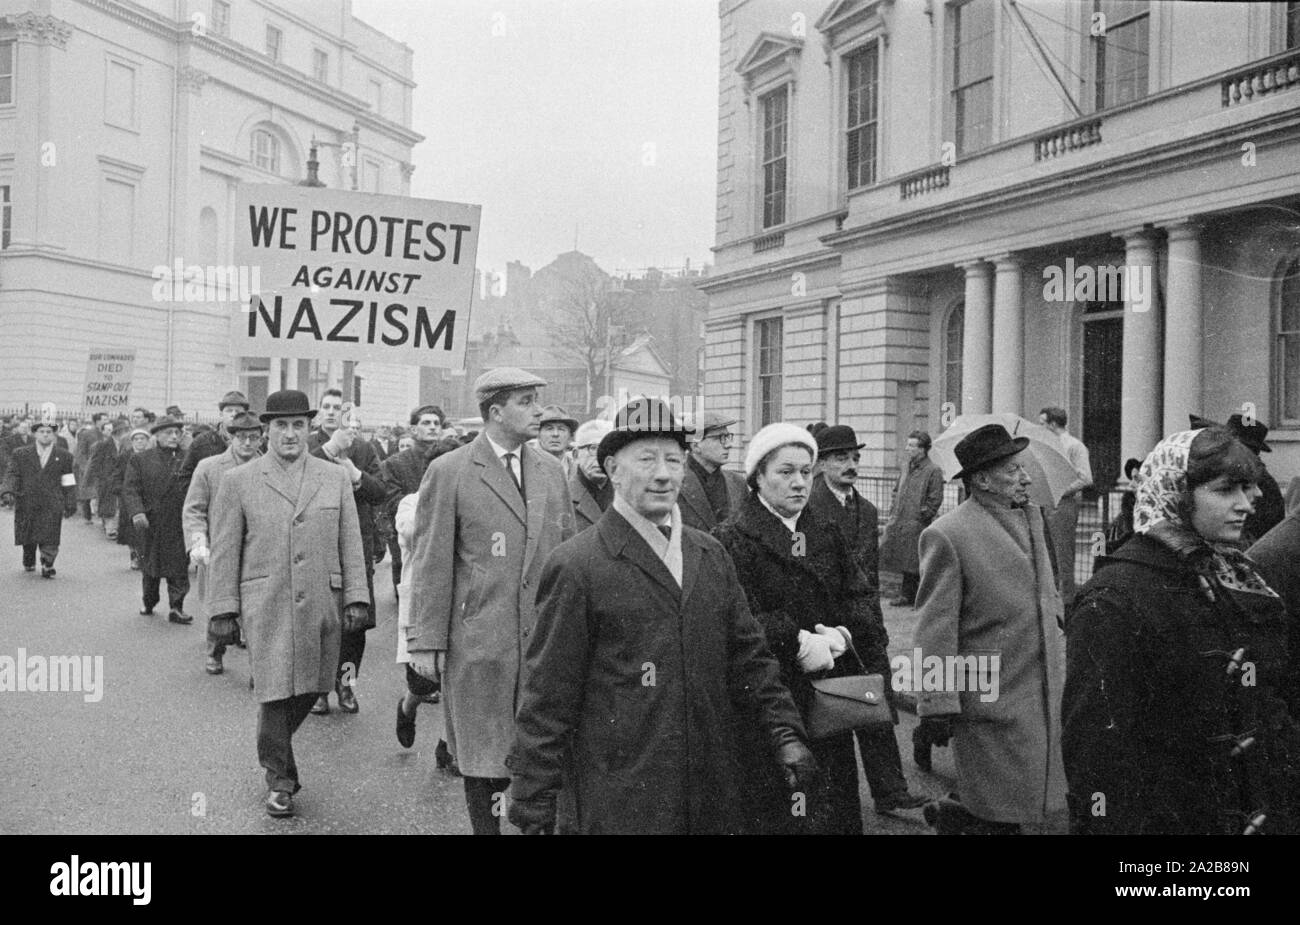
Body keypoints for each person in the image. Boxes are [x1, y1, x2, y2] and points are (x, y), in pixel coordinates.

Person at [506, 400, 815, 835]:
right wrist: (532, 793)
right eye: (647, 459)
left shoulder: (709, 554)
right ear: (612, 468)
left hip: (710, 789)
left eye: (674, 459)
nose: (664, 473)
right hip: (621, 794)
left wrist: (785, 733)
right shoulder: (577, 565)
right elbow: (549, 691)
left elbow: (750, 658)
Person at [1065, 427, 1299, 834]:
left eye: (1249, 491)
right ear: (1176, 493)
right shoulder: (1115, 597)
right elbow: (1097, 756)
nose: (1246, 505)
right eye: (1227, 491)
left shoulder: (1233, 574)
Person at [714, 423, 921, 833]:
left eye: (806, 472)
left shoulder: (823, 531)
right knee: (784, 806)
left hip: (829, 697)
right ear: (758, 477)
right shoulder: (732, 538)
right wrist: (797, 640)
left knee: (833, 805)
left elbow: (859, 595)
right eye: (785, 472)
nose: (798, 483)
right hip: (771, 701)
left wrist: (843, 633)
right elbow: (735, 618)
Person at [406, 367, 574, 835]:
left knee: (539, 750)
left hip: (542, 636)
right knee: (484, 755)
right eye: (525, 401)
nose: (537, 410)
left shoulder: (550, 470)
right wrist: (425, 640)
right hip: (480, 637)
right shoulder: (451, 471)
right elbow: (431, 559)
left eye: (536, 399)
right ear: (494, 411)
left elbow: (568, 553)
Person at [207, 390, 369, 818]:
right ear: (266, 430)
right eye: (281, 425)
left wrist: (356, 595)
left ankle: (276, 756)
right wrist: (222, 608)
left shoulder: (332, 476)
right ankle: (279, 777)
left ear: (310, 428)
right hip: (268, 599)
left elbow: (350, 540)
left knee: (316, 684)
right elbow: (225, 549)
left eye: (299, 425)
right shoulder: (239, 481)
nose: (291, 434)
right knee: (275, 688)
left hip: (321, 597)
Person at [913, 424, 1066, 834]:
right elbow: (933, 632)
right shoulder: (947, 534)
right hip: (991, 704)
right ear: (981, 479)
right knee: (997, 812)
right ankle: (955, 815)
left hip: (1042, 696)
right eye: (1014, 470)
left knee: (1029, 810)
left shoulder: (1035, 523)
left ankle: (956, 813)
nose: (1026, 477)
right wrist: (937, 706)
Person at [804, 423, 928, 809]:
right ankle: (831, 801)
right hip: (828, 632)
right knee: (833, 715)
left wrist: (878, 627)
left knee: (878, 709)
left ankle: (891, 791)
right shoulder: (808, 508)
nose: (851, 464)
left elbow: (869, 578)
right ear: (821, 463)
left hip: (866, 629)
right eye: (841, 458)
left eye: (855, 457)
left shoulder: (867, 508)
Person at [307, 390, 386, 715]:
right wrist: (329, 451)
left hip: (355, 546)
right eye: (325, 407)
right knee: (320, 623)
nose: (330, 412)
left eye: (337, 408)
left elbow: (380, 491)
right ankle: (320, 689)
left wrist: (356, 474)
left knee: (354, 627)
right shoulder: (309, 445)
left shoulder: (364, 448)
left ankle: (346, 684)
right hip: (317, 544)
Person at [392, 435, 462, 754]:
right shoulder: (411, 502)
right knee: (423, 682)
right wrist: (436, 498)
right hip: (423, 605)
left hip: (461, 603)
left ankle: (447, 747)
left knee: (458, 681)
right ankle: (407, 708)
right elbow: (410, 532)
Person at [183, 411, 263, 676]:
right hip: (220, 549)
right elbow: (194, 509)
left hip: (256, 550)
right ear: (231, 437)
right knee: (220, 607)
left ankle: (258, 667)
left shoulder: (269, 467)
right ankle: (215, 651)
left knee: (257, 612)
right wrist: (198, 543)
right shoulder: (209, 467)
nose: (248, 443)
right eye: (242, 437)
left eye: (254, 437)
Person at [123, 416, 194, 623]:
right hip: (150, 521)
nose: (173, 437)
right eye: (168, 433)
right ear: (157, 435)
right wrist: (137, 512)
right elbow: (131, 489)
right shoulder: (141, 459)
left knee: (179, 566)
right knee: (151, 566)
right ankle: (149, 601)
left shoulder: (187, 458)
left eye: (177, 433)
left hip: (178, 521)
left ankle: (176, 607)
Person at [379, 404, 446, 593]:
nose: (432, 427)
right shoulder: (395, 464)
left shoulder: (451, 459)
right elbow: (392, 503)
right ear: (413, 429)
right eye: (426, 423)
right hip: (407, 540)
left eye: (436, 423)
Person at [1, 419, 76, 577]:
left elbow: (68, 479)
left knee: (51, 533)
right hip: (28, 499)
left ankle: (47, 562)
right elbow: (12, 474)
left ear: (54, 435)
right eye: (41, 432)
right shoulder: (21, 454)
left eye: (49, 432)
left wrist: (70, 501)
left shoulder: (64, 456)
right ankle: (29, 559)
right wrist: (7, 490)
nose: (45, 435)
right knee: (29, 534)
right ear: (35, 434)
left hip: (52, 501)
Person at [880, 430, 944, 607]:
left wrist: (924, 514)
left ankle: (916, 596)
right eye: (908, 444)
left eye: (911, 445)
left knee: (915, 560)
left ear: (922, 449)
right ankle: (907, 595)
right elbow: (896, 489)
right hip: (900, 518)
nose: (907, 448)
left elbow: (935, 498)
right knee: (903, 558)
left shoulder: (933, 470)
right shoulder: (906, 466)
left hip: (917, 522)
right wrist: (894, 507)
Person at [1038, 407, 1092, 602]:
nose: (1040, 427)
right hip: (1047, 504)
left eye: (1043, 423)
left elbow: (1086, 478)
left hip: (1064, 505)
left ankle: (1067, 601)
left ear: (1053, 424)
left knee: (1063, 557)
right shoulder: (1049, 445)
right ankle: (1053, 601)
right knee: (1048, 555)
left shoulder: (1074, 446)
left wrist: (1059, 491)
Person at [677, 411, 746, 532]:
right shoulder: (675, 482)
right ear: (695, 446)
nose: (729, 445)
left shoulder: (738, 483)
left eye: (728, 436)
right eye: (719, 438)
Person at [179, 390, 250, 491]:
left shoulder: (254, 443)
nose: (233, 414)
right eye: (229, 410)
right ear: (221, 414)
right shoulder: (202, 442)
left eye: (238, 411)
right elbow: (185, 476)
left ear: (245, 415)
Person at [568, 418, 614, 532]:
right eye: (593, 448)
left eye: (608, 449)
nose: (600, 457)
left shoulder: (627, 496)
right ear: (576, 455)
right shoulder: (562, 495)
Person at [115, 427, 151, 569]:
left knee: (146, 529)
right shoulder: (125, 457)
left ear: (147, 441)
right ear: (132, 441)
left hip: (147, 498)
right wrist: (119, 489)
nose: (139, 441)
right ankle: (134, 555)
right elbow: (117, 475)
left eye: (142, 439)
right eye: (136, 439)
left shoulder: (151, 456)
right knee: (131, 530)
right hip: (129, 497)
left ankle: (145, 556)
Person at [86, 419, 125, 537]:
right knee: (108, 503)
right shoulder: (103, 445)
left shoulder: (125, 445)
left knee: (118, 504)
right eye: (123, 430)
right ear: (117, 432)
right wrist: (93, 479)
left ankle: (113, 527)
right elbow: (94, 463)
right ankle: (110, 529)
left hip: (120, 479)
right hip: (106, 479)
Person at [73, 413, 107, 523]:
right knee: (87, 492)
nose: (107, 421)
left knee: (103, 492)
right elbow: (81, 451)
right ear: (97, 421)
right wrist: (84, 466)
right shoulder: (87, 434)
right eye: (104, 419)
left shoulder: (107, 433)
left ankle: (103, 516)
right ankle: (87, 516)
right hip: (89, 465)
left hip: (103, 467)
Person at [536, 405, 578, 476]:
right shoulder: (525, 467)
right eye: (549, 429)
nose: (555, 434)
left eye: (561, 429)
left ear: (570, 436)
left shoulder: (579, 471)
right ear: (538, 435)